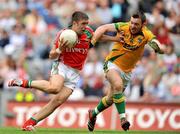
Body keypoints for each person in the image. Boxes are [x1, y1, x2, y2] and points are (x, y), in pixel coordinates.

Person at [8, 11, 119, 131]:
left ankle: (29, 123)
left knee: (57, 101)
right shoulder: (63, 35)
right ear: (75, 23)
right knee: (54, 88)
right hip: (62, 65)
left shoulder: (88, 32)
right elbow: (51, 55)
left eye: (87, 23)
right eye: (83, 23)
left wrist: (115, 38)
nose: (85, 26)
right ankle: (23, 83)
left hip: (75, 73)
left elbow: (98, 37)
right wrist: (60, 49)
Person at [87, 11, 164, 131]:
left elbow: (157, 43)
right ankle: (123, 119)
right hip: (112, 64)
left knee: (111, 99)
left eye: (136, 24)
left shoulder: (146, 34)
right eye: (132, 23)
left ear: (143, 24)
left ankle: (94, 113)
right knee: (118, 85)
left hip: (127, 72)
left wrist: (159, 48)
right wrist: (95, 42)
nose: (132, 26)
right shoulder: (123, 26)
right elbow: (102, 28)